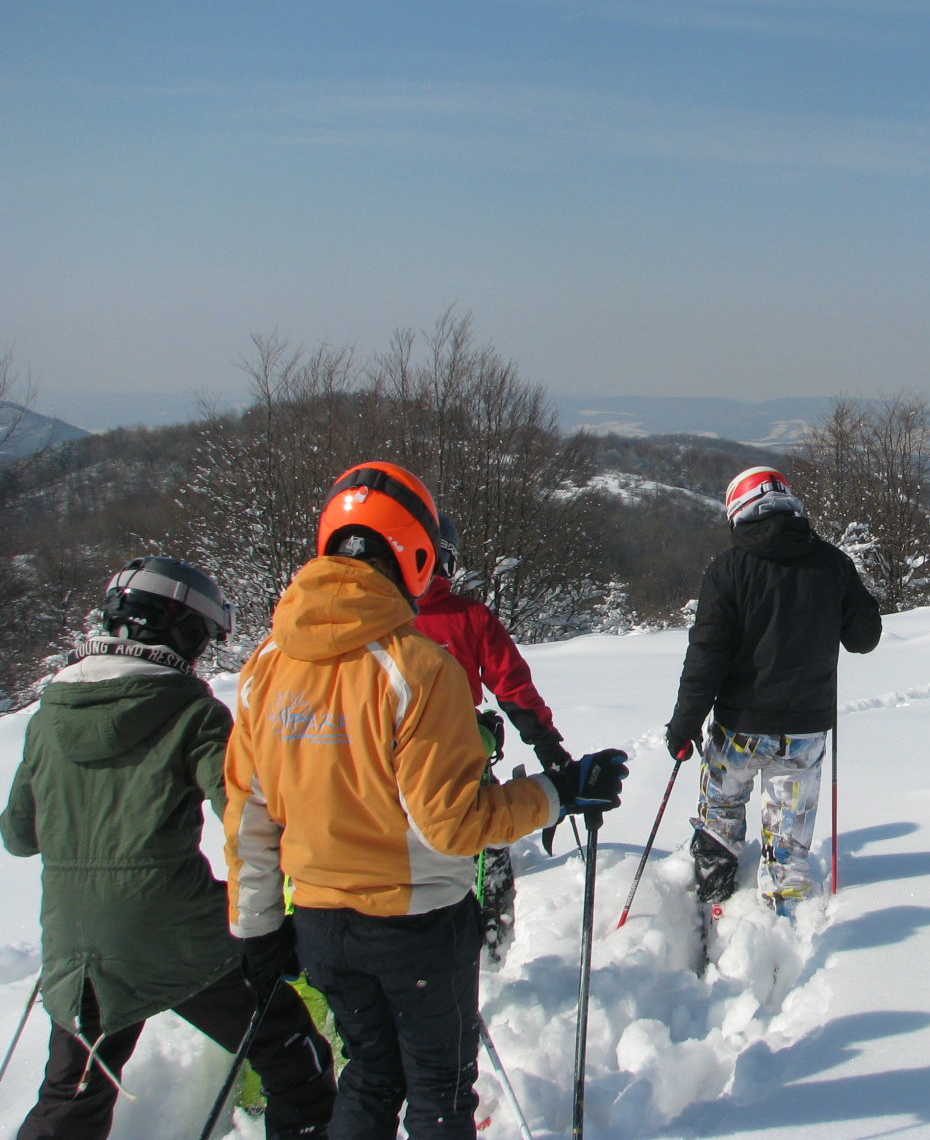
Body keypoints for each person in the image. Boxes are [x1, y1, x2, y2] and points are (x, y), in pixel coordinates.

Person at [223, 461, 627, 1140]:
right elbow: (453, 824)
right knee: (439, 1093)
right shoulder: (417, 668)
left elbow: (248, 817)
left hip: (319, 923)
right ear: (413, 553)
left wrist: (257, 929)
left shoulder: (265, 666)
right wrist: (557, 790)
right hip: (413, 927)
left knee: (370, 1076)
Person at [1, 557, 336, 1140]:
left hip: (76, 945)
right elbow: (248, 822)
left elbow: (19, 836)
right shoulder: (192, 710)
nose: (200, 655)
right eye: (201, 638)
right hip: (181, 939)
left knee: (71, 1098)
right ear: (178, 630)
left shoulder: (48, 716)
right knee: (293, 1058)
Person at [665, 466, 881, 919]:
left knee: (722, 810)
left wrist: (684, 726)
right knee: (788, 833)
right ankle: (784, 919)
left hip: (737, 727)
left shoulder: (727, 569)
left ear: (738, 511)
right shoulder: (832, 562)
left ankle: (714, 888)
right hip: (804, 731)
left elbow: (706, 657)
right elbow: (864, 638)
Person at [413, 515, 573, 966]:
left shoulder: (370, 620)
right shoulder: (468, 617)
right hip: (462, 762)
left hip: (380, 773)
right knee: (486, 851)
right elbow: (512, 686)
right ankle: (490, 952)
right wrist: (547, 745)